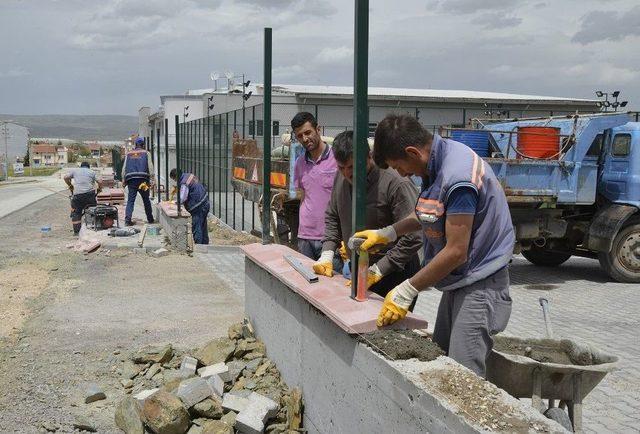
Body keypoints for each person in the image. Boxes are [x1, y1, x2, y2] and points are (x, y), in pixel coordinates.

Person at [352, 114, 515, 377]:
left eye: (399, 166)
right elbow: (432, 212)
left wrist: (407, 289)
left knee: (464, 378)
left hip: (480, 284)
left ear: (412, 152)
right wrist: (389, 232)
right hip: (460, 282)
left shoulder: (459, 177)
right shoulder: (436, 164)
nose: (402, 174)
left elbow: (456, 252)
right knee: (440, 357)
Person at [312, 130, 422, 301]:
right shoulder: (340, 178)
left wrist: (379, 269)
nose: (348, 173)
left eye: (353, 167)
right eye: (342, 167)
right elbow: (333, 216)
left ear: (368, 157)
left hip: (395, 273)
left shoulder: (395, 183)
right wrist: (327, 253)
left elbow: (414, 236)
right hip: (359, 267)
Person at [291, 112, 338, 261]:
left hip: (330, 238)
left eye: (307, 132)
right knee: (306, 281)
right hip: (305, 236)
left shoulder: (337, 158)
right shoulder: (299, 163)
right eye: (299, 136)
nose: (305, 139)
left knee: (332, 282)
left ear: (318, 129)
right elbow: (303, 195)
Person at [170, 169, 210, 245]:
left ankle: (199, 247)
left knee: (197, 227)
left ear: (176, 177)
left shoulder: (184, 183)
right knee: (203, 226)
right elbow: (193, 187)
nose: (175, 181)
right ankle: (205, 245)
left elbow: (182, 198)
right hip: (205, 201)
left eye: (174, 179)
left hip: (198, 206)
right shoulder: (189, 175)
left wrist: (175, 202)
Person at [122, 137, 155, 226]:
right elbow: (150, 167)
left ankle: (127, 220)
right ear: (143, 145)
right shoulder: (146, 153)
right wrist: (152, 179)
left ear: (135, 145)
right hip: (143, 180)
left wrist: (123, 180)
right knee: (146, 199)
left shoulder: (128, 154)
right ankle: (150, 218)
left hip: (131, 180)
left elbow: (124, 168)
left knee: (130, 200)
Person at [64, 162, 103, 235]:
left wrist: (70, 185)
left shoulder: (75, 171)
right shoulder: (92, 172)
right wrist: (99, 189)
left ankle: (77, 232)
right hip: (89, 195)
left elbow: (65, 177)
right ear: (88, 167)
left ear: (81, 167)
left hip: (77, 196)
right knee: (91, 211)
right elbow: (100, 181)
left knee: (76, 213)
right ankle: (92, 229)